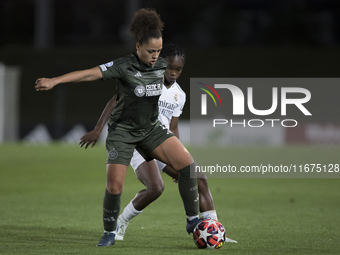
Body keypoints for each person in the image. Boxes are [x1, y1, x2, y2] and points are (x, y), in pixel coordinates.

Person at [35, 8, 201, 247]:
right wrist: (54, 81)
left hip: (152, 130)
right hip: (123, 134)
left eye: (158, 51)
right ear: (137, 47)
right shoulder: (123, 66)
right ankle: (110, 233)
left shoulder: (162, 65)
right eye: (150, 51)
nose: (156, 57)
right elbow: (89, 74)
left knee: (188, 167)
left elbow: (174, 74)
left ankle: (193, 220)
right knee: (115, 186)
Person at [79, 43, 233, 242]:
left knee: (198, 176)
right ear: (161, 63)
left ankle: (214, 228)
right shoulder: (147, 80)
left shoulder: (180, 95)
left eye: (178, 69)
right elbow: (115, 100)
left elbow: (173, 127)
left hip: (160, 142)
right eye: (170, 67)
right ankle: (121, 223)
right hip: (136, 142)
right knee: (155, 188)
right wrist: (98, 129)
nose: (174, 72)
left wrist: (175, 159)